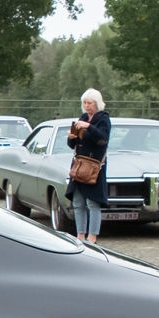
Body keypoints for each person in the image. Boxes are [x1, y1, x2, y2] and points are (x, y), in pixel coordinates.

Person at [65, 88, 110, 244]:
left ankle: (92, 236)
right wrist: (71, 137)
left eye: (89, 103)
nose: (86, 106)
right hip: (79, 165)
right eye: (84, 103)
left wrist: (89, 127)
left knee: (93, 202)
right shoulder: (82, 117)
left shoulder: (103, 119)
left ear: (97, 103)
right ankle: (80, 234)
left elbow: (103, 140)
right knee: (78, 202)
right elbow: (73, 144)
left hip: (93, 167)